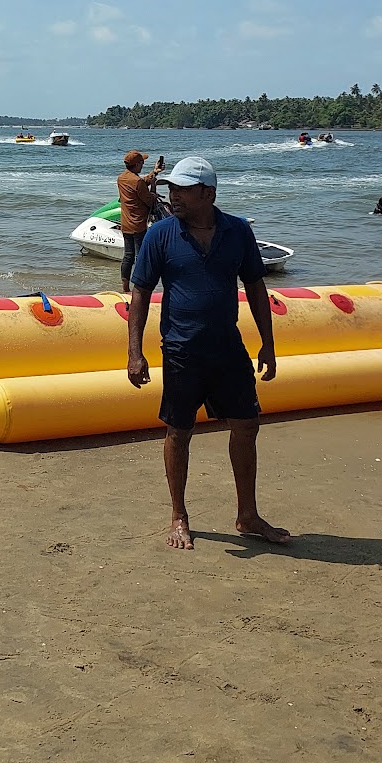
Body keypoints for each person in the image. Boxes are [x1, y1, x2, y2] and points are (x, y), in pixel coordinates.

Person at [126, 155, 288, 552]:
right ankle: (179, 514)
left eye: (183, 190)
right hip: (182, 349)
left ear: (208, 194)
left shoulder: (238, 231)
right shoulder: (159, 234)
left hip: (229, 348)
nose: (173, 196)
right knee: (179, 432)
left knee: (247, 426)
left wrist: (267, 343)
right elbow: (141, 293)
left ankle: (247, 515)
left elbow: (255, 288)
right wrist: (135, 352)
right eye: (172, 190)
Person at [116, 150, 161, 292]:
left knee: (128, 256)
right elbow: (148, 200)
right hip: (139, 224)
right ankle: (140, 288)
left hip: (126, 223)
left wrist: (154, 172)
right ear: (136, 165)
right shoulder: (137, 181)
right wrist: (154, 191)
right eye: (141, 163)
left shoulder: (122, 178)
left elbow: (140, 184)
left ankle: (125, 288)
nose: (142, 165)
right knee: (140, 256)